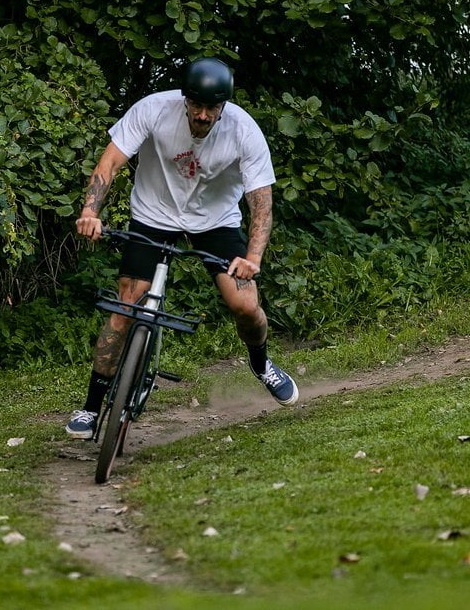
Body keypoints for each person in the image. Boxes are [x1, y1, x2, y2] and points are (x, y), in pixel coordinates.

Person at [67, 57, 298, 439]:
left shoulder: (244, 130)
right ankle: (91, 408)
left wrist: (253, 257)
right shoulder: (154, 109)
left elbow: (261, 202)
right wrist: (90, 211)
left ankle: (262, 364)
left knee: (245, 305)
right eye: (197, 106)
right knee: (125, 308)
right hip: (153, 215)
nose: (204, 116)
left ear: (223, 106)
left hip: (216, 222)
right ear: (185, 99)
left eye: (213, 108)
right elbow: (110, 162)